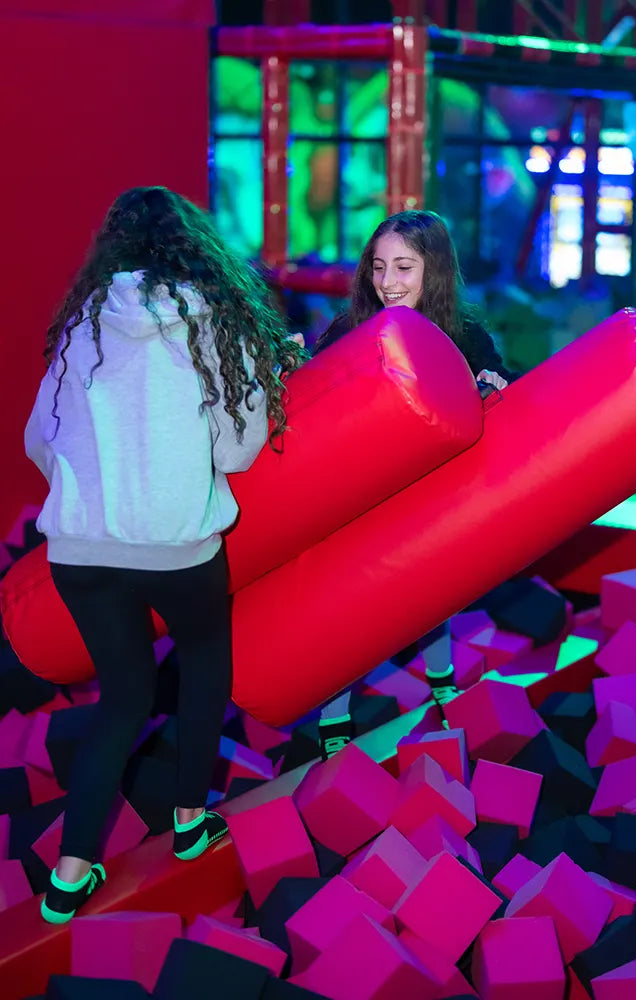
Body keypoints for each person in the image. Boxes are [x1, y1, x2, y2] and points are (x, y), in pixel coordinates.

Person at [26, 186, 306, 923]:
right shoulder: (216, 322)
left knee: (121, 698)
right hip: (176, 545)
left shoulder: (85, 321)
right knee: (204, 663)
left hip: (80, 551)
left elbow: (38, 441)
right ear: (195, 246)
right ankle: (189, 822)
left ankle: (68, 877)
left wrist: (97, 483)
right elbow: (240, 450)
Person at [314, 209, 517, 759]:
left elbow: (500, 392)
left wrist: (491, 387)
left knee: (428, 587)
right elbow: (311, 395)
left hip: (430, 495)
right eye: (378, 268)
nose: (387, 284)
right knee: (350, 604)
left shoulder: (464, 334)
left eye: (404, 268)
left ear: (435, 271)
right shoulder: (352, 328)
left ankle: (442, 677)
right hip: (360, 497)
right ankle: (335, 715)